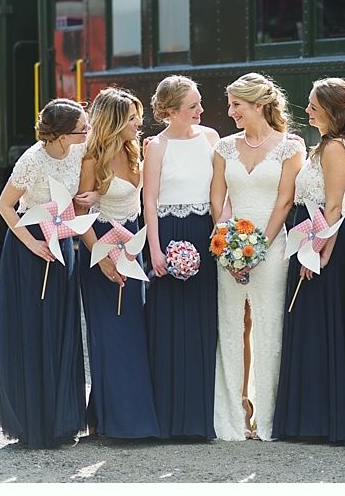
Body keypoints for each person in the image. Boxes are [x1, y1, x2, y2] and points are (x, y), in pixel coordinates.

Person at [210, 73, 305, 441]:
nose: (231, 111)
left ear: (259, 106)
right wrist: (227, 240)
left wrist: (259, 247)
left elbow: (284, 201)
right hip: (230, 247)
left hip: (273, 244)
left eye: (237, 105)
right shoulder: (224, 147)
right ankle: (236, 413)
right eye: (231, 104)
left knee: (268, 326)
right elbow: (218, 195)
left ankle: (267, 414)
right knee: (233, 327)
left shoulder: (290, 147)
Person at [0, 98, 89, 448]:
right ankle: (34, 421)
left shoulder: (79, 151)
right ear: (62, 134)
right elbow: (4, 205)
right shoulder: (31, 161)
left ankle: (61, 418)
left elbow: (78, 193)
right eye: (83, 128)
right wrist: (31, 245)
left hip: (60, 238)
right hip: (31, 242)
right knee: (34, 327)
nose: (87, 132)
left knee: (61, 324)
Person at [76, 87, 160, 439]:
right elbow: (79, 213)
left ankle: (115, 416)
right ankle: (115, 422)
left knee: (132, 334)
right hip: (100, 248)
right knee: (109, 335)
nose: (139, 124)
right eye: (131, 118)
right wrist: (102, 260)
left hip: (132, 246)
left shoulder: (136, 152)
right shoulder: (91, 160)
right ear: (113, 122)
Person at [273, 78, 345, 442]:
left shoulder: (336, 148)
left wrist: (319, 253)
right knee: (305, 326)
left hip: (324, 246)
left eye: (313, 107)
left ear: (332, 112)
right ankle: (305, 416)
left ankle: (322, 419)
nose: (306, 112)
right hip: (308, 241)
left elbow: (335, 207)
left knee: (321, 327)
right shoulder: (320, 146)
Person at [143, 75, 220, 439]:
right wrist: (155, 250)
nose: (201, 111)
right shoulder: (156, 146)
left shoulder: (211, 138)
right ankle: (169, 417)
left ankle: (201, 417)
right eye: (193, 106)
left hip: (204, 233)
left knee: (203, 320)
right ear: (171, 111)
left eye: (199, 103)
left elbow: (219, 190)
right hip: (169, 234)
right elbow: (150, 201)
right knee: (169, 324)